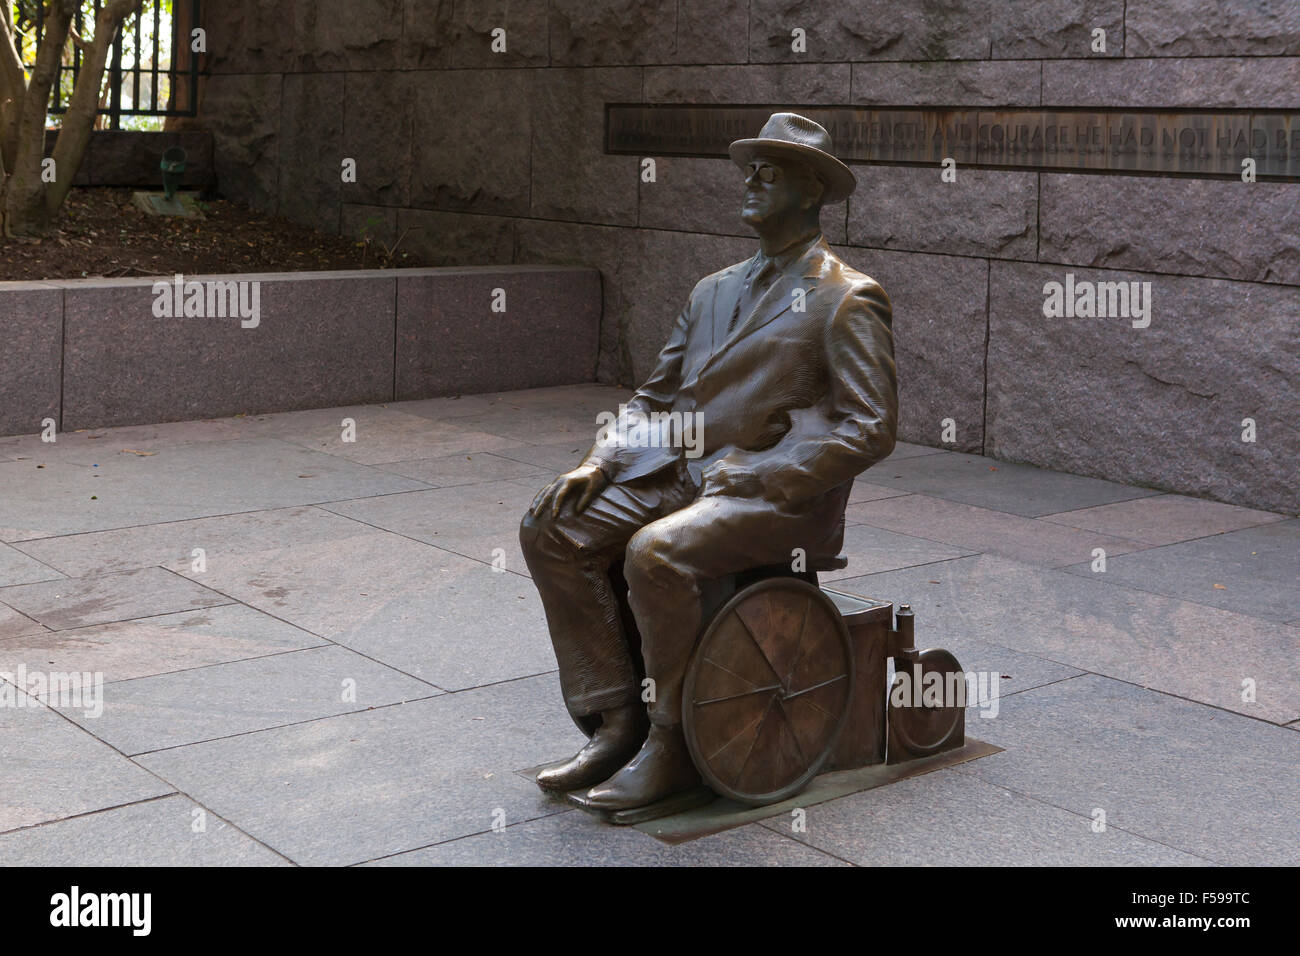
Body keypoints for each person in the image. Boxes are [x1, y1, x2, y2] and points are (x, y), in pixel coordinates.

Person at [520, 112, 898, 812]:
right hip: (681, 472)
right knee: (551, 527)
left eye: (771, 168)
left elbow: (871, 428)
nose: (750, 178)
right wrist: (599, 461)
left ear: (813, 189)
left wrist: (766, 472)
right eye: (748, 166)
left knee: (656, 554)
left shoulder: (848, 297)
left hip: (774, 495)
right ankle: (616, 716)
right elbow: (650, 398)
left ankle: (672, 742)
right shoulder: (711, 289)